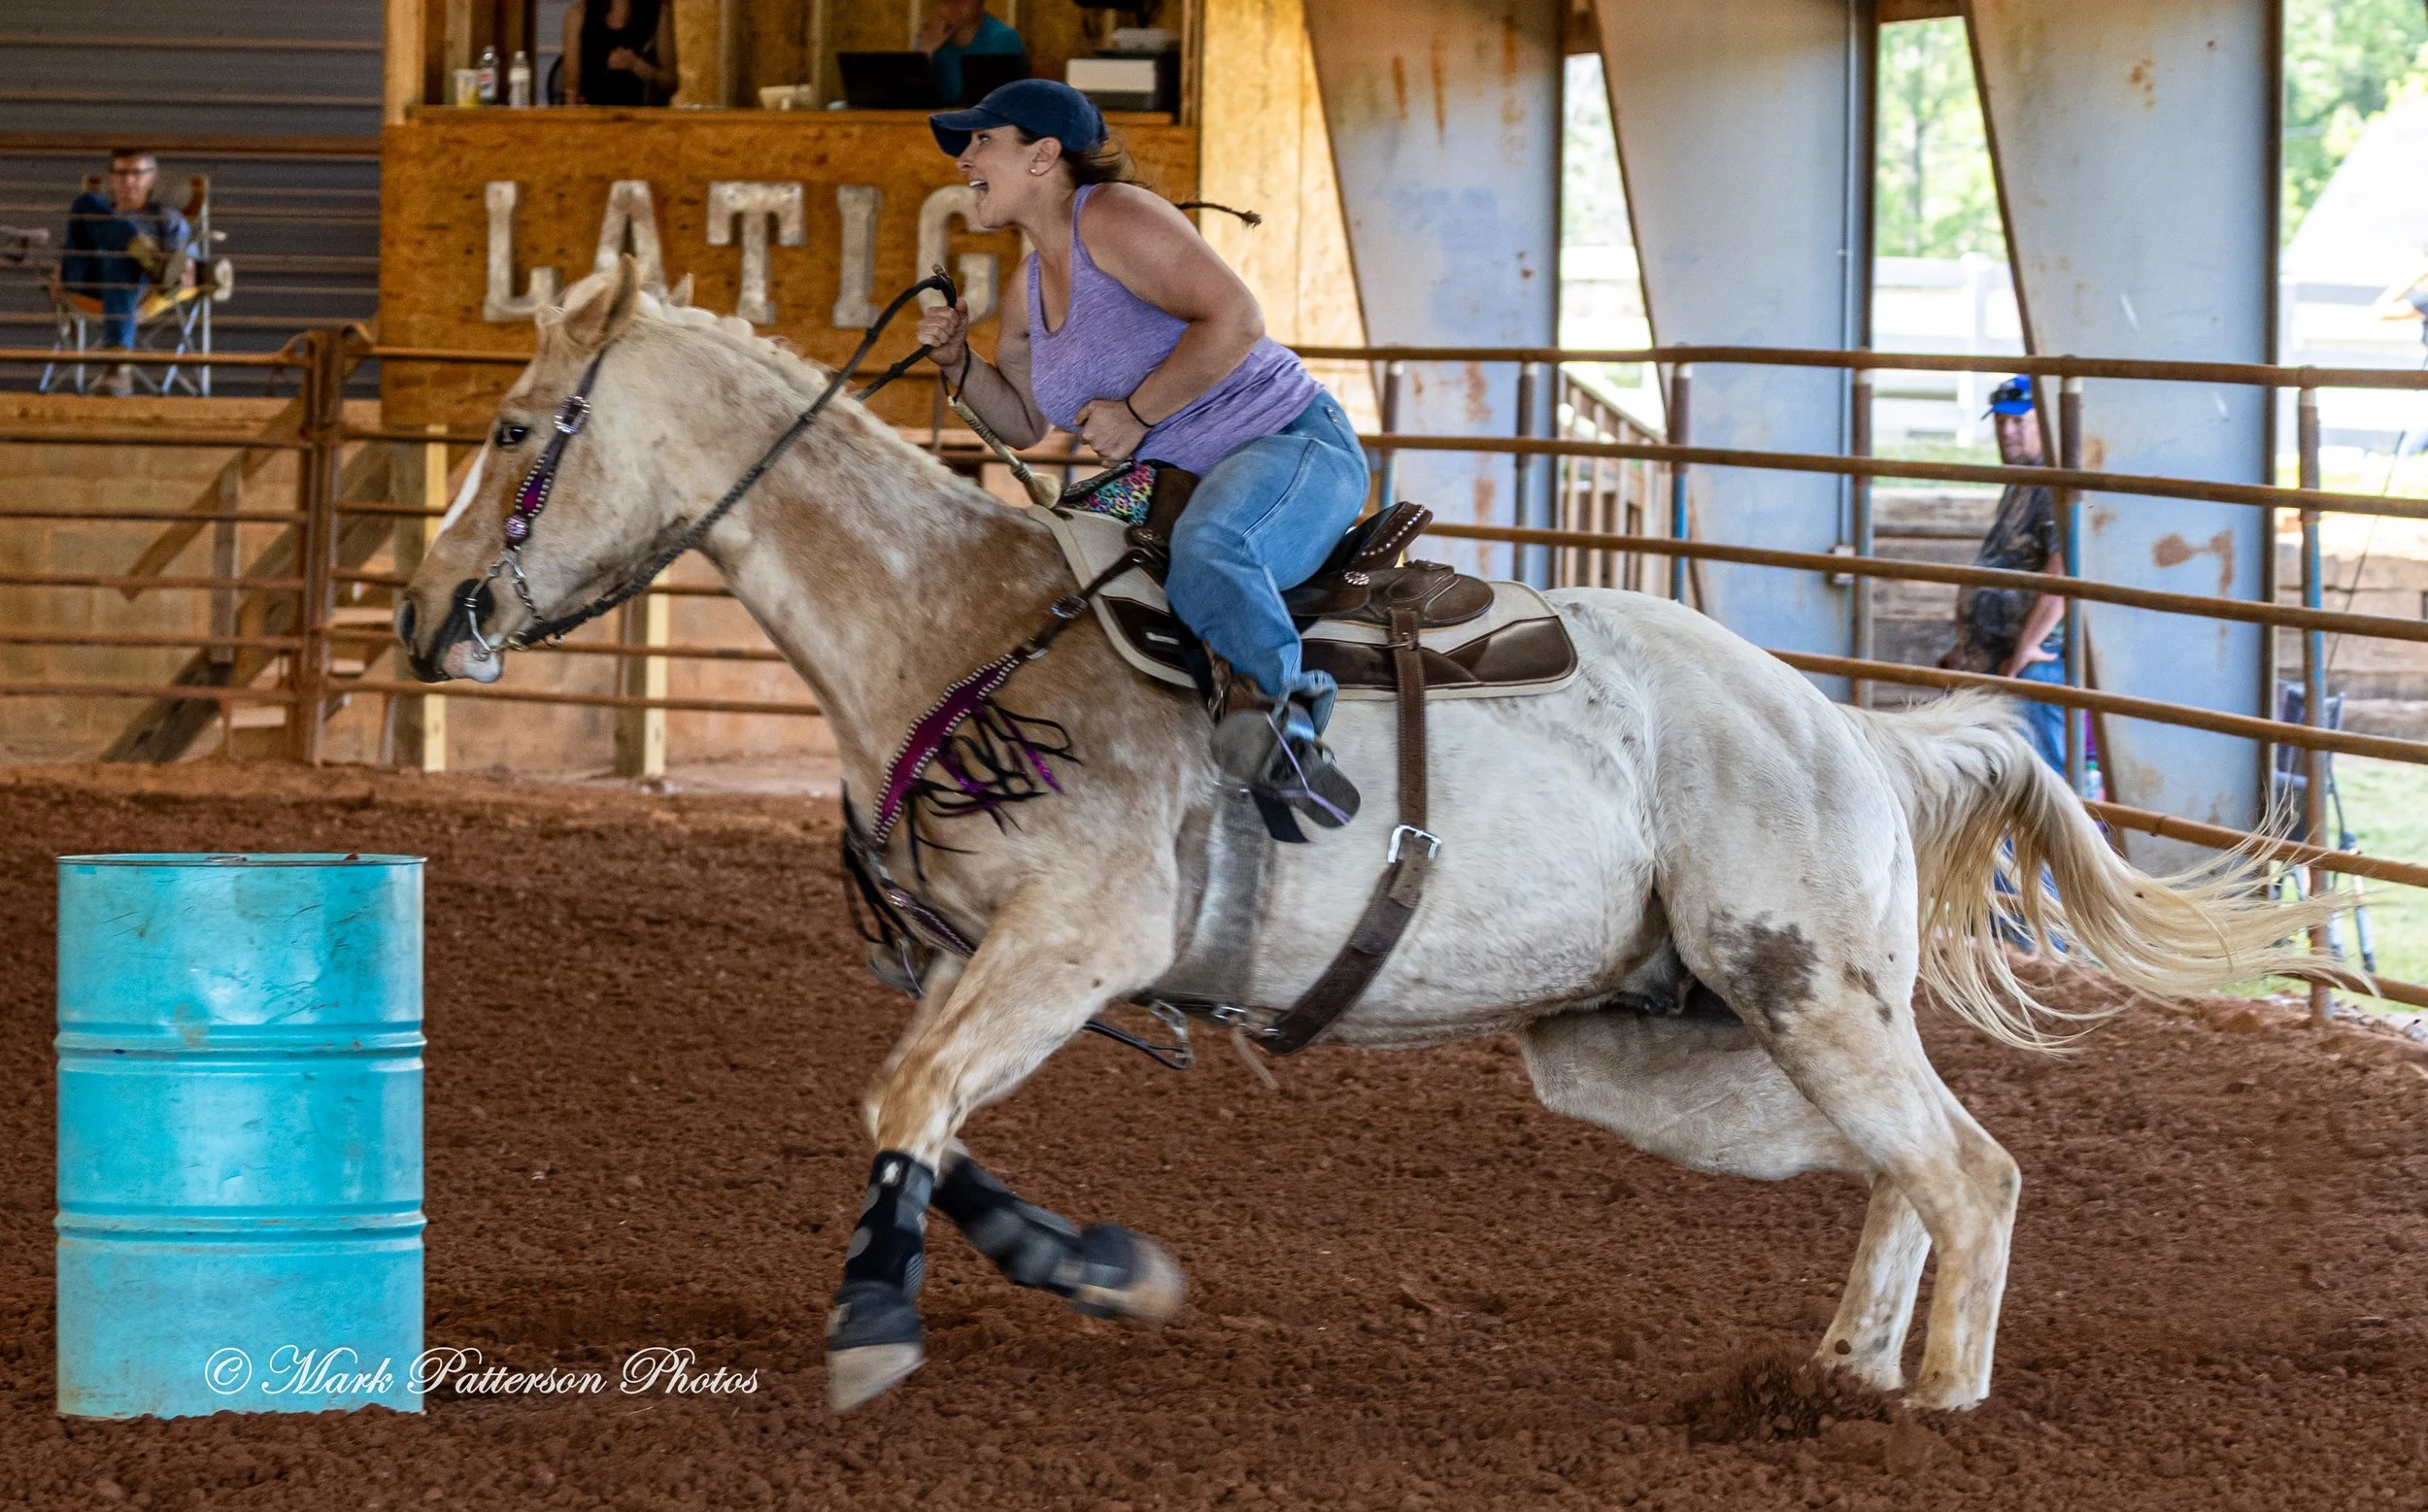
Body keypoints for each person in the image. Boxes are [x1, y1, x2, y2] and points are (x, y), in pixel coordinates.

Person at [917, 79, 1368, 830]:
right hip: (1169, 481)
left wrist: (1137, 412)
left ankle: (1286, 731)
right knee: (1045, 567)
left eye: (983, 141)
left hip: (1287, 443)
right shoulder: (1030, 282)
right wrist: (959, 362)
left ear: (1044, 155)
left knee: (1215, 544)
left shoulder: (1115, 217)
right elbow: (1026, 420)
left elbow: (1237, 317)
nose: (966, 158)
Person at [1943, 376, 2068, 772]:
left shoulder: (2053, 484)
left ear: (2045, 422)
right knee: (2004, 772)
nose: (2006, 431)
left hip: (2034, 660)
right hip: (2003, 658)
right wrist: (1967, 646)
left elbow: (2064, 570)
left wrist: (2028, 646)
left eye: (2018, 421)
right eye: (1999, 421)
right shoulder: (2023, 482)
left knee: (2036, 773)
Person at [59, 149, 191, 397]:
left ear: (153, 178)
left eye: (136, 173)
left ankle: (117, 365)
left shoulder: (167, 219)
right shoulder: (97, 212)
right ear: (111, 178)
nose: (128, 181)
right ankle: (135, 243)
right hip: (86, 279)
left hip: (134, 287)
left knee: (121, 259)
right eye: (121, 173)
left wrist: (185, 271)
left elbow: (182, 264)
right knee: (83, 201)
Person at [563, 0, 678, 107]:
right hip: (594, 119)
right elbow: (571, 91)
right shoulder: (578, 14)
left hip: (645, 118)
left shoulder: (657, 12)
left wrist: (637, 65)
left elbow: (671, 83)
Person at [919, 0, 1026, 110]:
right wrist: (925, 55)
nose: (953, 6)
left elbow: (1008, 100)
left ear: (980, 3)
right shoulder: (929, 37)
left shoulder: (1003, 38)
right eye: (945, 2)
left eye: (962, 1)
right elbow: (912, 100)